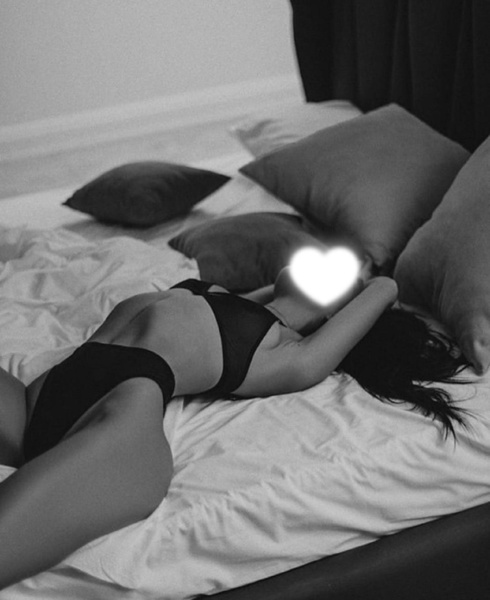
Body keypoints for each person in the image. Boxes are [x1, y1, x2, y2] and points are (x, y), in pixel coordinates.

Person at [0, 262, 469, 589]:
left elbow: (385, 286)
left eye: (337, 272)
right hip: (36, 401)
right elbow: (262, 300)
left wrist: (371, 276)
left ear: (337, 311)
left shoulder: (290, 356)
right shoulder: (231, 301)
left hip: (119, 415)